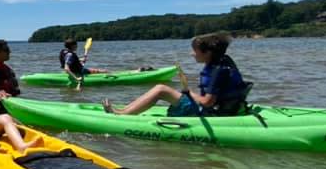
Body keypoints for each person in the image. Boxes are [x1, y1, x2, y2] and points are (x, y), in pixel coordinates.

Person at [103, 33, 249, 116]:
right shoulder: (225, 61)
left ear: (208, 53)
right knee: (163, 89)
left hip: (212, 112)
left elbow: (207, 102)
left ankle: (122, 114)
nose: (192, 54)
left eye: (195, 51)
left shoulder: (218, 71)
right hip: (225, 107)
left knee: (161, 89)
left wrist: (189, 93)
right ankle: (123, 110)